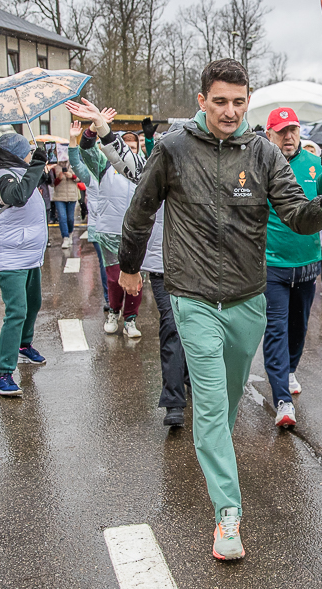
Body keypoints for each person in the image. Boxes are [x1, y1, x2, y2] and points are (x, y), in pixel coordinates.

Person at [116, 58, 322, 561]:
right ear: (201, 101)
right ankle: (228, 513)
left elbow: (297, 215)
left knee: (222, 407)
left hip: (248, 300)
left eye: (239, 102)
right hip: (193, 296)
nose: (229, 111)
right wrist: (129, 267)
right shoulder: (173, 149)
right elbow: (140, 212)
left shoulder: (265, 153)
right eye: (219, 101)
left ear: (249, 102)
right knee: (208, 403)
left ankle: (213, 447)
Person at [65, 107, 191, 428]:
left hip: (201, 266)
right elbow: (123, 161)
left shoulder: (213, 174)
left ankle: (189, 378)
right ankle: (174, 399)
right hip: (160, 260)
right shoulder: (155, 168)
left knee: (197, 330)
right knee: (172, 327)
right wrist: (102, 129)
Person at [259, 107, 322, 428]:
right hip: (272, 263)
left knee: (299, 326)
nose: (289, 137)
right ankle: (283, 400)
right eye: (282, 131)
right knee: (276, 328)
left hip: (307, 263)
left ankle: (289, 369)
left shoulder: (316, 167)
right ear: (270, 134)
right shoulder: (261, 165)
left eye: (294, 131)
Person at [63, 107, 144, 339]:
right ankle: (114, 312)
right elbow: (84, 153)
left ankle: (131, 319)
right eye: (125, 147)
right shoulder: (104, 166)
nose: (129, 152)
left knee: (137, 277)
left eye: (134, 148)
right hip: (110, 230)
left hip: (136, 232)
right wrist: (92, 129)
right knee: (113, 276)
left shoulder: (145, 168)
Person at [0, 134, 50, 396]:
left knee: (33, 302)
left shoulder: (15, 171)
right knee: (16, 311)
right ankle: (3, 374)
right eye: (26, 152)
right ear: (15, 154)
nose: (28, 155)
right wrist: (36, 164)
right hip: (9, 255)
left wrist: (38, 165)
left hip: (27, 253)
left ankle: (24, 345)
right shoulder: (1, 176)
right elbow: (19, 196)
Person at [67, 119, 112, 313]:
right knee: (106, 265)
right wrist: (72, 139)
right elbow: (75, 162)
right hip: (98, 227)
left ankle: (127, 304)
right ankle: (110, 300)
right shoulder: (90, 176)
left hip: (120, 226)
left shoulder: (120, 171)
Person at [51, 159, 80, 249]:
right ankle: (65, 237)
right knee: (62, 217)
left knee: (70, 218)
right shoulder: (55, 166)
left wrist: (72, 176)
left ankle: (70, 233)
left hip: (72, 196)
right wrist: (58, 179)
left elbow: (80, 178)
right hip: (59, 196)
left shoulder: (74, 163)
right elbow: (52, 183)